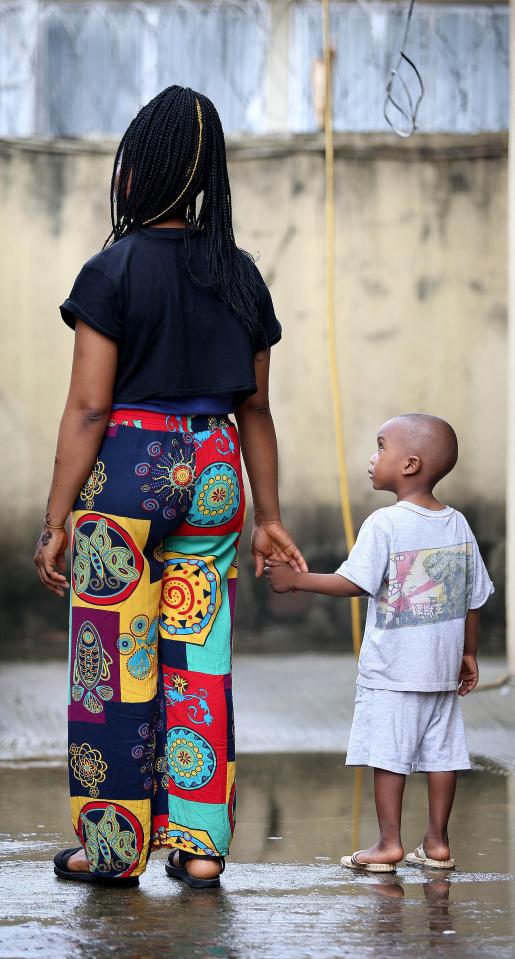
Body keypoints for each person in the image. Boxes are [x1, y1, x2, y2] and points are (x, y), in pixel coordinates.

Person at [34, 85, 306, 889]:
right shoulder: (240, 275)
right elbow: (255, 405)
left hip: (128, 469)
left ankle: (113, 849)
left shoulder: (111, 269)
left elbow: (88, 407)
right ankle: (200, 845)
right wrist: (270, 515)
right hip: (218, 467)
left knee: (115, 665)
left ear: (132, 175)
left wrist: (56, 520)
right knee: (199, 656)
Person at [265, 413, 493, 872]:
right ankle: (437, 844)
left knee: (388, 755)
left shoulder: (384, 523)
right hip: (441, 672)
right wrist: (468, 653)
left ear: (409, 465)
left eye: (381, 446)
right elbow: (474, 598)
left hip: (393, 671)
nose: (373, 457)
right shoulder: (458, 525)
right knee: (442, 755)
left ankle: (389, 844)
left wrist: (297, 581)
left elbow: (354, 583)